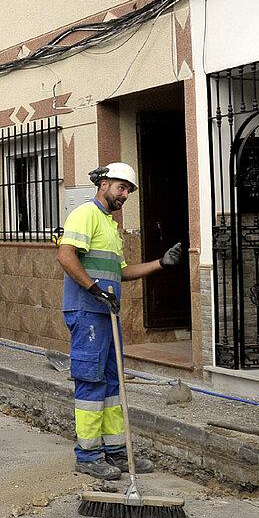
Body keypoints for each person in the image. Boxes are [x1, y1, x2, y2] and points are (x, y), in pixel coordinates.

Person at [56, 163, 183, 481]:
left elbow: (121, 272)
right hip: (87, 313)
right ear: (103, 184)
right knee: (91, 381)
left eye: (128, 189)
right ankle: (87, 455)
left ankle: (116, 452)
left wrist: (160, 263)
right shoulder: (86, 214)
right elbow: (65, 256)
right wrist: (95, 290)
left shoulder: (110, 227)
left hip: (104, 314)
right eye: (120, 187)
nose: (125, 194)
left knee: (113, 385)